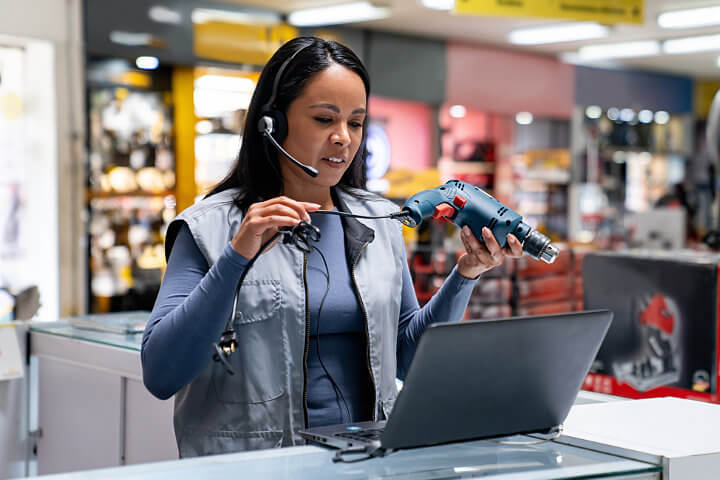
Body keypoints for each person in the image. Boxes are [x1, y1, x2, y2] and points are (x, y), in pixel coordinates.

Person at [141, 36, 523, 458]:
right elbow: (161, 373)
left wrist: (465, 273)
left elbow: (412, 359)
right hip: (257, 466)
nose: (343, 138)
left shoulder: (378, 222)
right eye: (325, 119)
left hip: (365, 461)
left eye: (356, 123)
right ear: (274, 123)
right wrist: (236, 258)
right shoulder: (209, 228)